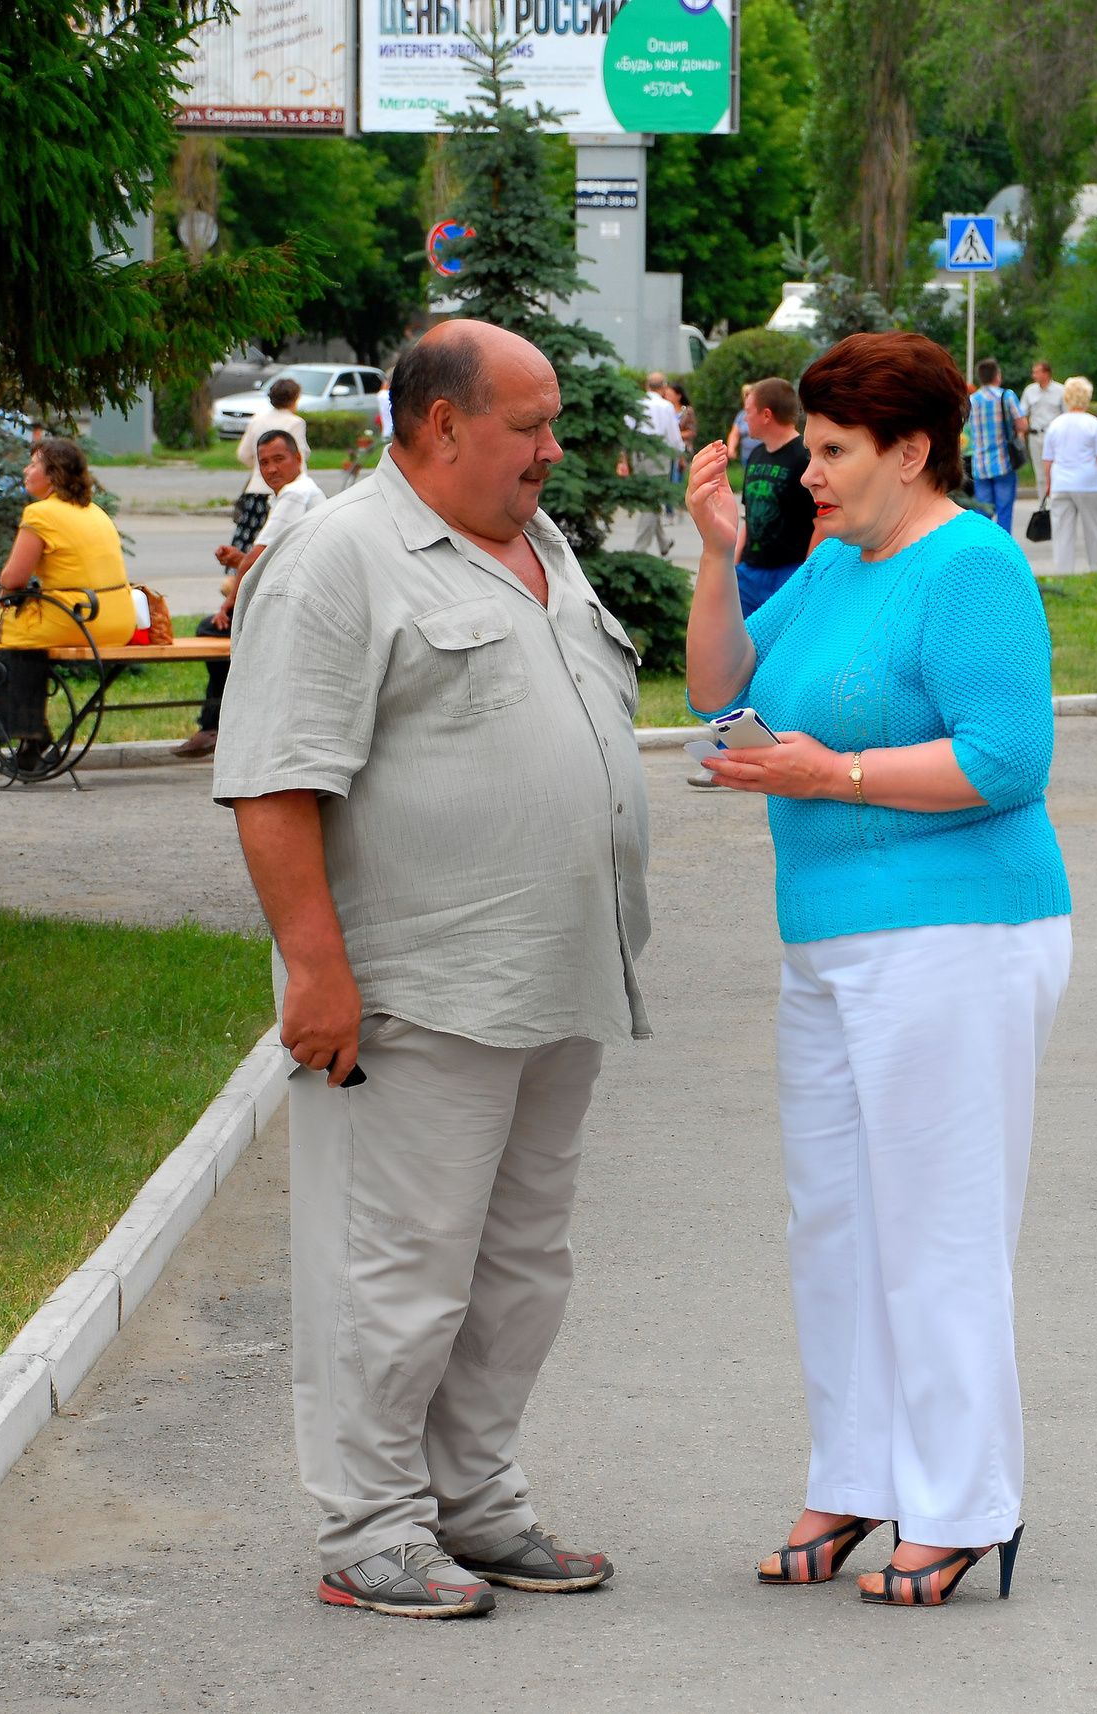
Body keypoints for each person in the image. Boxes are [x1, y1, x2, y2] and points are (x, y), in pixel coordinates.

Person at [214, 319, 644, 1621]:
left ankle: (475, 1499)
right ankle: (371, 1527)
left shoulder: (540, 546)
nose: (552, 450)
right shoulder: (341, 559)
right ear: (441, 425)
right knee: (396, 1268)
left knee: (520, 1265)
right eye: (530, 426)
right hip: (416, 989)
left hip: (557, 976)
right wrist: (315, 971)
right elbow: (277, 778)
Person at [679, 329, 1069, 1609]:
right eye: (810, 454)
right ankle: (853, 1474)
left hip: (958, 934)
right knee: (835, 1223)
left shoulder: (972, 567)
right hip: (831, 940)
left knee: (938, 1224)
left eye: (836, 456)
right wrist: (721, 557)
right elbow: (717, 682)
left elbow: (1006, 759)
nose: (811, 481)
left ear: (912, 450)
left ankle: (961, 1503)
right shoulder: (840, 560)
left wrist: (826, 773)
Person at [0, 438, 136, 768]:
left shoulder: (40, 513)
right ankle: (31, 741)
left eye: (34, 465)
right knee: (23, 639)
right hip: (117, 619)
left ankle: (26, 732)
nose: (26, 470)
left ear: (52, 475)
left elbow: (13, 580)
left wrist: (4, 595)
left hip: (75, 618)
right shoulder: (93, 510)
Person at [176, 428, 325, 759]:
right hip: (296, 602)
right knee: (223, 641)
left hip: (296, 610)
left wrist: (228, 606)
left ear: (298, 458)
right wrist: (238, 560)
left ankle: (217, 725)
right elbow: (268, 560)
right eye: (264, 463)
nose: (271, 469)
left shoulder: (295, 494)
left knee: (211, 630)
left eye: (279, 460)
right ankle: (222, 723)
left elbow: (258, 557)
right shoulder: (298, 492)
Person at [733, 377, 818, 615]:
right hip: (749, 573)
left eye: (749, 411)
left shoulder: (805, 456)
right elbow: (749, 516)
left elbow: (820, 521)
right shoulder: (756, 455)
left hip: (788, 572)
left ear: (767, 415)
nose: (745, 417)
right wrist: (736, 563)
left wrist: (805, 576)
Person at [1038, 374, 1097, 574]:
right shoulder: (1094, 423)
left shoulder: (1056, 424)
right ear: (1087, 398)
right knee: (1093, 529)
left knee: (1062, 531)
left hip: (1061, 483)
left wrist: (1049, 483)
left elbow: (1048, 460)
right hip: (1088, 483)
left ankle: (1063, 572)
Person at [233, 378, 312, 554]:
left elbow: (243, 454)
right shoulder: (295, 422)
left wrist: (261, 467)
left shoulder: (257, 421)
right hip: (286, 492)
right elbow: (299, 454)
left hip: (257, 491)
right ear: (294, 399)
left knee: (251, 546)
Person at [627, 371, 686, 554]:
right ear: (663, 388)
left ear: (646, 386)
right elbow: (673, 436)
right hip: (658, 453)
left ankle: (663, 542)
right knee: (652, 500)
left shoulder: (636, 403)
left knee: (649, 497)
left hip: (637, 451)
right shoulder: (666, 406)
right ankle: (639, 549)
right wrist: (680, 454)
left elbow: (627, 427)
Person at [964, 357, 1024, 532]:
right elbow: (1022, 424)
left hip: (980, 464)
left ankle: (984, 545)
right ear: (997, 376)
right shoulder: (1006, 396)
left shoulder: (972, 401)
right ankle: (1003, 551)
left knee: (983, 511)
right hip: (1004, 461)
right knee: (1004, 511)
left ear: (980, 378)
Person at [1019, 360, 1064, 478]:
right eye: (1033, 372)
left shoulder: (1061, 391)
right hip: (1035, 436)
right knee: (1040, 474)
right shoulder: (1029, 391)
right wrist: (1021, 432)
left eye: (1037, 372)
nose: (1034, 375)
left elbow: (1066, 414)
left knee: (1056, 470)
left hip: (1055, 435)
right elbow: (1022, 413)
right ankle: (1042, 496)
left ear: (1047, 373)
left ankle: (1055, 496)